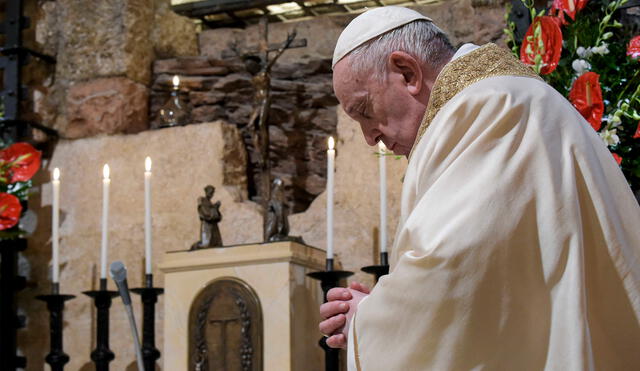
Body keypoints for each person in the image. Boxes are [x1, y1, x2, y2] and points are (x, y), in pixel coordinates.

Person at [319, 6, 640, 371]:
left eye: (365, 110)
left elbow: (454, 269)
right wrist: (387, 304)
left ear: (407, 72)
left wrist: (372, 319)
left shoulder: (491, 110)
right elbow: (504, 284)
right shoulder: (504, 99)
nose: (369, 136)